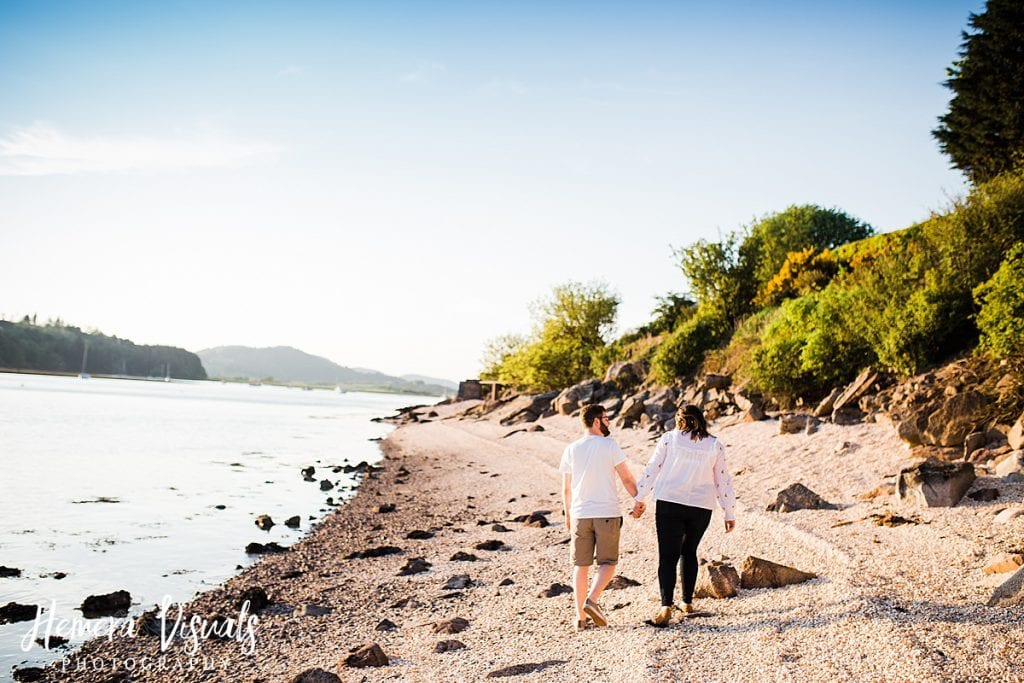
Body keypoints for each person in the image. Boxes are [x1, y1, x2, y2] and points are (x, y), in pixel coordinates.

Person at [630, 404, 736, 626]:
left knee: (668, 556)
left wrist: (640, 498)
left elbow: (653, 467)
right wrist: (728, 511)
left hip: (670, 502)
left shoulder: (670, 438)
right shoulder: (714, 444)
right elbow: (723, 480)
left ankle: (665, 606)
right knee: (689, 551)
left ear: (680, 419)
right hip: (701, 507)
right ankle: (687, 602)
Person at [560, 403, 642, 632]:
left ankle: (580, 618)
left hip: (579, 514)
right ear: (596, 421)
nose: (608, 422)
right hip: (607, 513)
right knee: (608, 563)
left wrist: (568, 516)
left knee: (580, 565)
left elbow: (566, 489)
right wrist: (639, 498)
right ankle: (592, 600)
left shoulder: (571, 449)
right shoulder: (609, 445)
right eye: (606, 418)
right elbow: (626, 478)